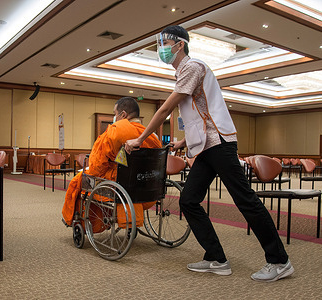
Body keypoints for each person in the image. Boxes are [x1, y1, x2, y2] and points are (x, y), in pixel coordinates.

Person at [125, 25, 293, 282]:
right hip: (205, 146)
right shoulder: (183, 72)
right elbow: (198, 114)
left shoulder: (192, 67)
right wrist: (183, 141)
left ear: (179, 45)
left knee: (245, 200)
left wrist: (140, 138)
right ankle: (216, 258)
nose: (162, 50)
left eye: (165, 44)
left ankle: (279, 261)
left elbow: (163, 111)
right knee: (189, 201)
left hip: (219, 144)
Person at [62, 97, 161, 228]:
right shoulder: (152, 135)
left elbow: (97, 166)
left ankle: (75, 219)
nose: (115, 117)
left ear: (123, 115)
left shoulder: (115, 131)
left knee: (78, 181)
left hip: (121, 182)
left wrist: (88, 172)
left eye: (115, 114)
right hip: (147, 185)